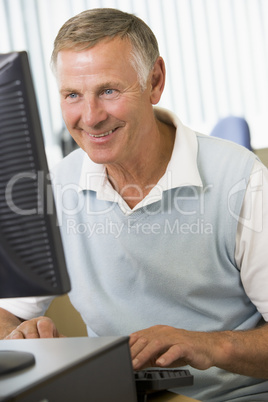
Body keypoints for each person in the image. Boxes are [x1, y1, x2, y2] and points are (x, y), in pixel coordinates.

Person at [0, 8, 268, 401]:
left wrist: (211, 346)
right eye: (73, 95)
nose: (90, 117)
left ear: (154, 81)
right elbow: (7, 312)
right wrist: (17, 335)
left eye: (108, 90)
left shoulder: (242, 180)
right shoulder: (54, 188)